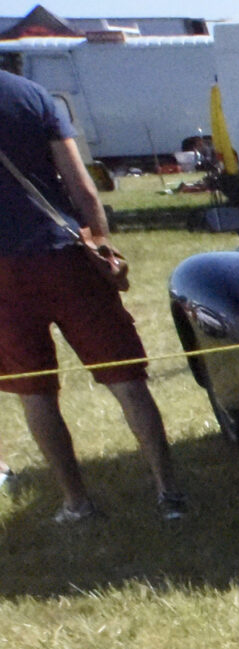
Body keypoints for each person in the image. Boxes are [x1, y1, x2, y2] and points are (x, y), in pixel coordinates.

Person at [0, 63, 180, 522]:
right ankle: (169, 492)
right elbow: (82, 186)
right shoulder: (31, 95)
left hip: (4, 276)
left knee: (35, 391)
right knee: (126, 378)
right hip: (64, 255)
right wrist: (102, 248)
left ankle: (76, 502)